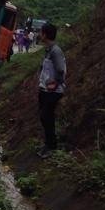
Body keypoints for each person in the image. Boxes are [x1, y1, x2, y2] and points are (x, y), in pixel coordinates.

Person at [37, 22, 66, 157]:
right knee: (44, 117)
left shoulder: (56, 51)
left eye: (41, 32)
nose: (39, 35)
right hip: (45, 89)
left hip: (53, 91)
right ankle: (48, 143)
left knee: (46, 116)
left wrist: (56, 83)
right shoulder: (49, 50)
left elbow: (60, 69)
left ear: (45, 34)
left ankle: (52, 146)